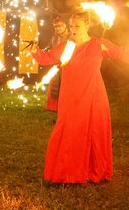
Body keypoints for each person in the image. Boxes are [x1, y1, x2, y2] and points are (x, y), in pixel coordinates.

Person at [31, 11, 129, 183]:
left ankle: (93, 171)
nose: (73, 29)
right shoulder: (66, 46)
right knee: (69, 131)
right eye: (71, 26)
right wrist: (34, 50)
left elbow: (120, 53)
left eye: (77, 26)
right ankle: (67, 173)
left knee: (95, 131)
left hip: (94, 95)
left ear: (86, 26)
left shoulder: (99, 44)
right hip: (71, 96)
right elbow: (47, 58)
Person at [46, 15, 70, 112]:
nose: (58, 28)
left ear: (65, 26)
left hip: (68, 65)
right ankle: (56, 108)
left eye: (60, 25)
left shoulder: (71, 37)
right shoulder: (54, 38)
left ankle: (66, 107)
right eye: (56, 26)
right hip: (56, 65)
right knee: (55, 85)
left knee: (66, 87)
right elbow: (51, 48)